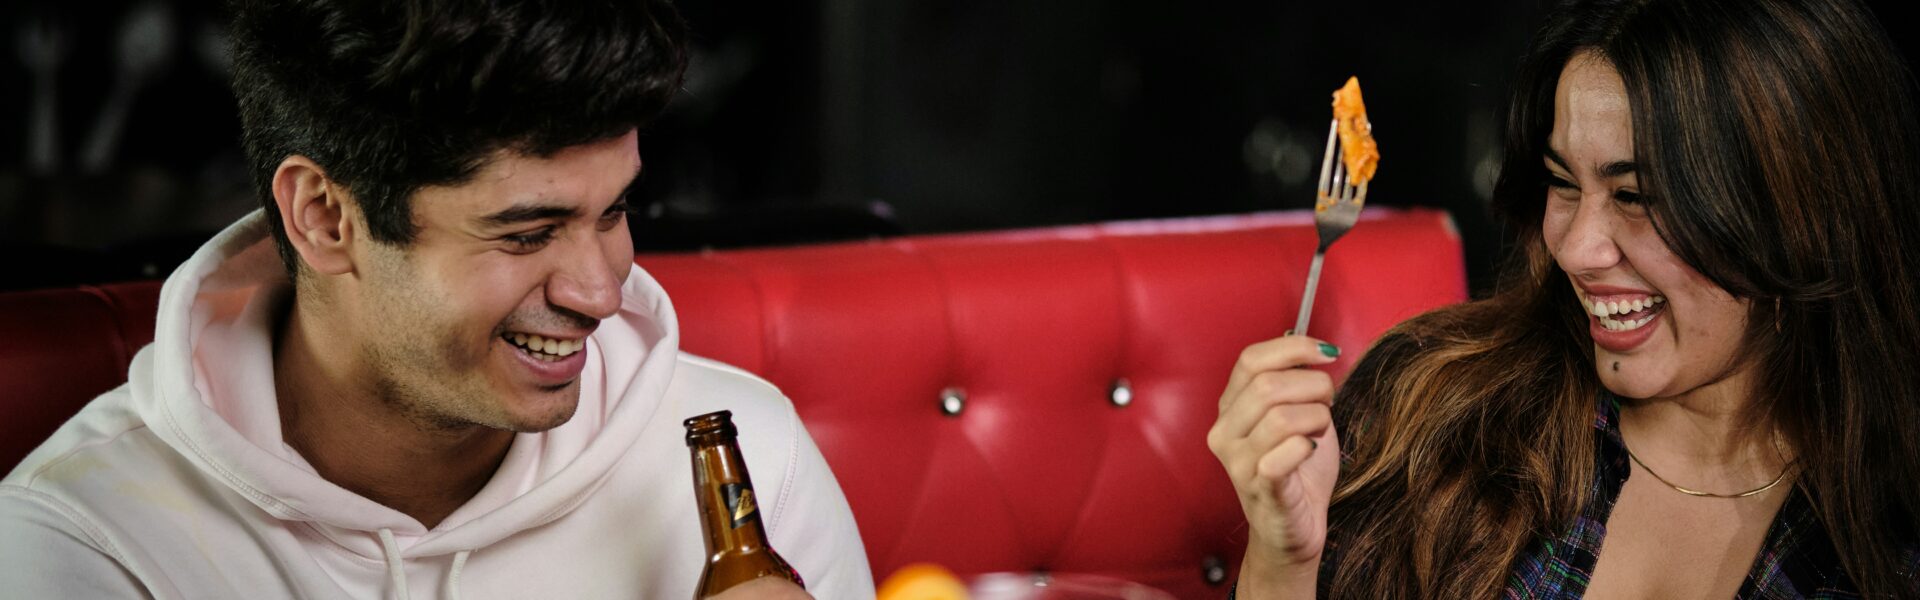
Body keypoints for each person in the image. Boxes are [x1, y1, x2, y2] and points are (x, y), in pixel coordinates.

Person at [0, 0, 871, 598]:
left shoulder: (752, 454)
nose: (602, 292)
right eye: (525, 234)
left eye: (614, 211)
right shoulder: (87, 542)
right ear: (325, 217)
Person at [1212, 0, 1920, 596]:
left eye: (1635, 195)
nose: (1577, 248)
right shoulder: (1429, 409)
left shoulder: (1891, 521)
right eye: (1563, 183)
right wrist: (1283, 564)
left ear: (1801, 210)